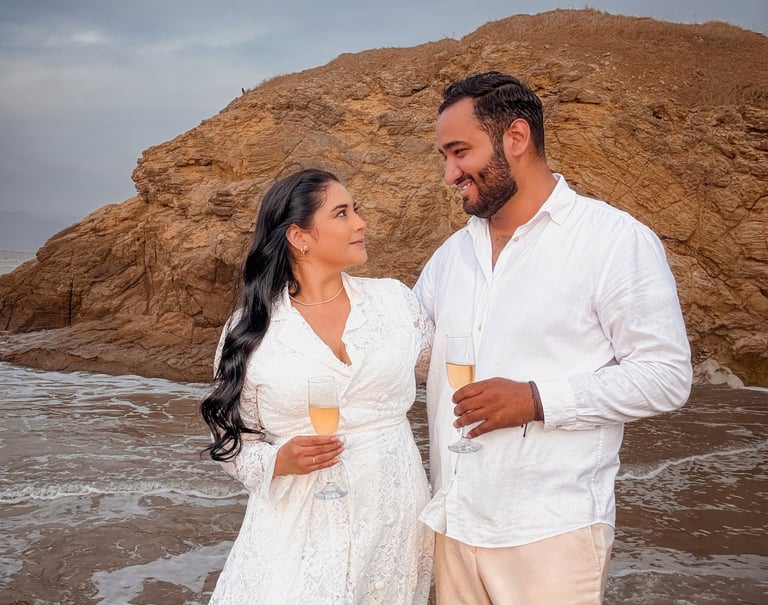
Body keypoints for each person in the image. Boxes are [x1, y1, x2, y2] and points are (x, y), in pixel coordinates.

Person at [413, 72, 692, 604]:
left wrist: (535, 400)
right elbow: (406, 347)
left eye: (459, 152)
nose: (449, 174)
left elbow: (666, 376)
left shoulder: (613, 241)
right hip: (452, 522)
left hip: (552, 533)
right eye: (444, 157)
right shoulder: (451, 256)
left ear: (515, 138)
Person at [201, 168, 434, 604]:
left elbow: (447, 380)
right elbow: (231, 440)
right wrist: (278, 461)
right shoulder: (251, 330)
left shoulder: (394, 303)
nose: (360, 223)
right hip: (296, 525)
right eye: (342, 213)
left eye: (355, 210)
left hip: (395, 516)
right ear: (299, 237)